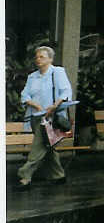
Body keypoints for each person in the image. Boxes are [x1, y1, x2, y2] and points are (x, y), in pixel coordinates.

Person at [16, 46, 71, 190]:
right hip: (36, 117)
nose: (38, 59)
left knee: (39, 146)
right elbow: (24, 95)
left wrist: (53, 106)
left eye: (42, 57)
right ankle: (58, 175)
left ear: (50, 59)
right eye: (37, 57)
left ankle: (24, 176)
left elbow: (65, 92)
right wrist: (36, 105)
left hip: (51, 117)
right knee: (48, 145)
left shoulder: (57, 72)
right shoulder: (32, 76)